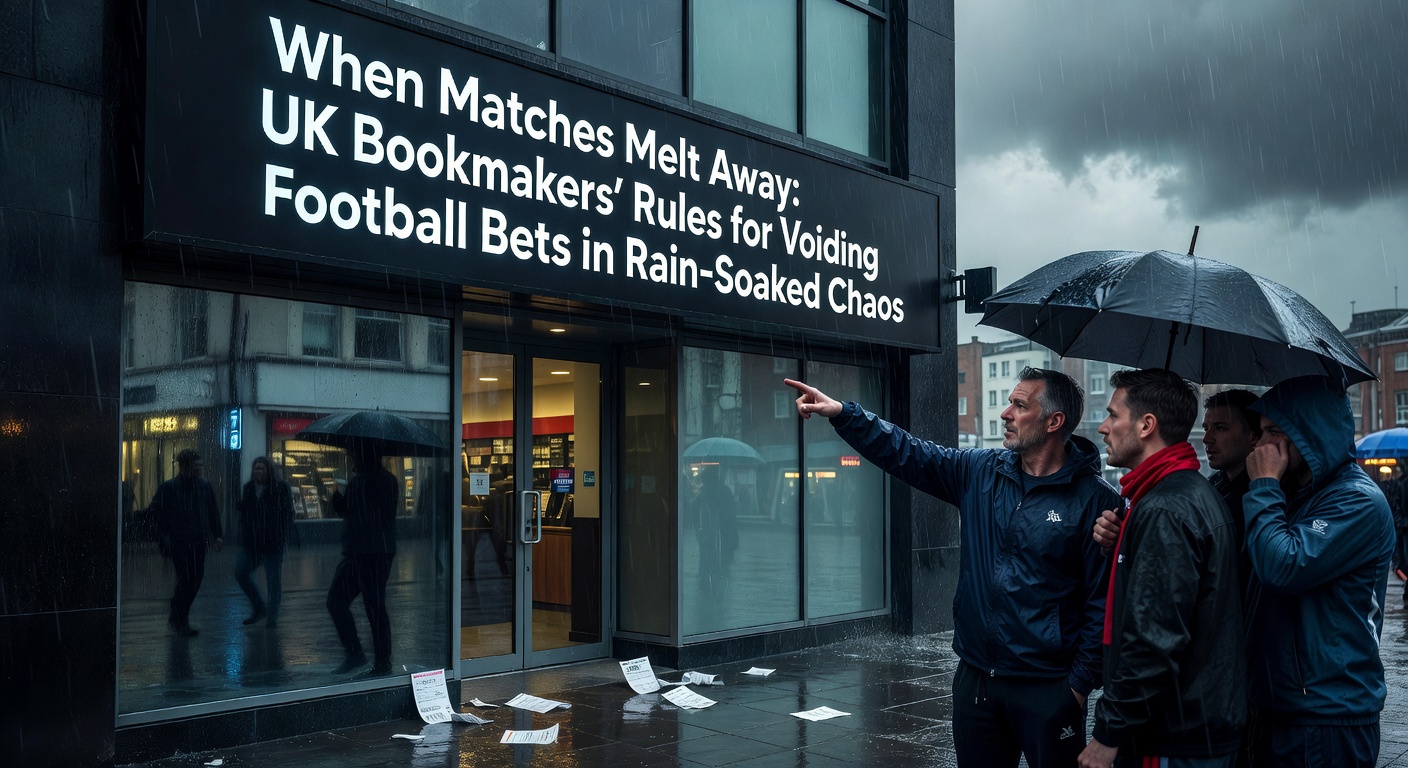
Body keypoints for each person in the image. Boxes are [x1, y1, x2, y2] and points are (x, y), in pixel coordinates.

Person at [787, 368, 1118, 768]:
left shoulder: (1094, 500)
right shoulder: (980, 471)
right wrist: (843, 413)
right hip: (976, 679)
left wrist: (1078, 688)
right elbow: (906, 451)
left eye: (1019, 405)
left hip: (1047, 687)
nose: (1005, 414)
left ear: (1054, 422)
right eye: (1010, 402)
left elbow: (1102, 604)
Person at [1079, 369, 1245, 768]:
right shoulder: (1178, 494)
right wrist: (1123, 544)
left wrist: (1108, 732)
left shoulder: (1166, 508)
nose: (1103, 427)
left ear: (1146, 425)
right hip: (1192, 724)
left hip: (1173, 735)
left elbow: (1153, 637)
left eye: (1113, 415)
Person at [1240, 375, 1393, 768]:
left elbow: (1283, 566)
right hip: (1279, 705)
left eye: (1274, 431)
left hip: (1327, 714)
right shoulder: (1296, 495)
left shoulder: (1355, 501)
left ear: (1309, 433)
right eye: (1260, 432)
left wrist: (1263, 485)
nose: (1260, 445)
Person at [326, 445, 400, 675]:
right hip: (363, 552)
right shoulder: (373, 481)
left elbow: (360, 512)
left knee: (372, 606)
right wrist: (341, 499)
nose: (351, 459)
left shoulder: (372, 482)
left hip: (371, 553)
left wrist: (342, 500)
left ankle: (378, 660)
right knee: (344, 602)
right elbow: (352, 510)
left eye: (353, 455)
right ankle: (361, 655)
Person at [150, 448, 223, 637]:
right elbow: (156, 515)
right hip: (178, 543)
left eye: (200, 466)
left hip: (198, 542)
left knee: (195, 580)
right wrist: (163, 539)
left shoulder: (203, 486)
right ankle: (180, 619)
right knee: (186, 580)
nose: (200, 469)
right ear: (185, 467)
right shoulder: (169, 488)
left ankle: (178, 614)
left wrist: (217, 535)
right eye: (196, 466)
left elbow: (212, 512)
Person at [234, 456, 294, 627]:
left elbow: (286, 514)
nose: (257, 472)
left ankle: (272, 617)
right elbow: (246, 513)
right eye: (256, 468)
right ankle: (259, 607)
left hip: (272, 542)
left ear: (268, 471)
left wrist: (280, 536)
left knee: (273, 581)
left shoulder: (280, 488)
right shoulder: (249, 489)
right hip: (252, 542)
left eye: (261, 469)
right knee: (240, 572)